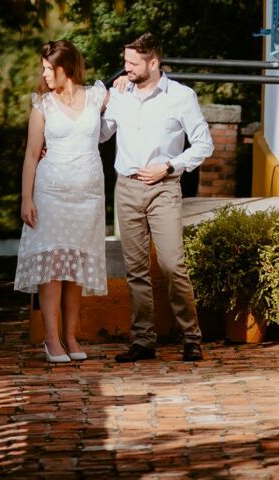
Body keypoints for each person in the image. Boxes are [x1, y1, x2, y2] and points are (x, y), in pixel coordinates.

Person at [103, 31, 213, 363]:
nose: (126, 68)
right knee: (135, 269)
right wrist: (100, 103)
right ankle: (143, 341)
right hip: (126, 187)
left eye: (133, 63)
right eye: (125, 62)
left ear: (154, 62)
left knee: (171, 264)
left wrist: (168, 166)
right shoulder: (119, 94)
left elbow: (203, 144)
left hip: (164, 188)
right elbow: (102, 134)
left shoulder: (181, 96)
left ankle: (191, 338)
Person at [14, 38, 111, 364]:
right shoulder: (42, 106)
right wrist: (26, 198)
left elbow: (129, 102)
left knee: (77, 267)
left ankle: (71, 336)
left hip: (88, 197)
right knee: (53, 267)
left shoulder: (97, 96)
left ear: (65, 68)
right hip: (51, 194)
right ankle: (52, 339)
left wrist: (124, 80)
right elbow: (31, 155)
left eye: (48, 68)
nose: (44, 75)